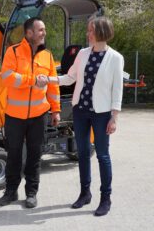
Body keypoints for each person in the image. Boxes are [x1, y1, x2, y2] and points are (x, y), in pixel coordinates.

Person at [37, 15, 124, 216]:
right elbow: (70, 77)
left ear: (101, 32)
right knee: (83, 154)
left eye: (91, 30)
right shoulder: (83, 54)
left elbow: (117, 90)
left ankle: (105, 198)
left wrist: (114, 117)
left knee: (102, 155)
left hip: (102, 114)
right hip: (80, 111)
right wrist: (48, 79)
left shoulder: (116, 58)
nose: (87, 34)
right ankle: (85, 194)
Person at [0, 17, 61, 208]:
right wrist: (32, 80)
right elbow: (7, 77)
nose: (44, 33)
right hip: (14, 116)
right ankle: (10, 192)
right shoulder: (13, 52)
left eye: (44, 29)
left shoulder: (47, 56)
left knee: (35, 155)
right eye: (40, 30)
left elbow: (52, 86)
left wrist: (56, 110)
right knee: (14, 155)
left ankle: (31, 194)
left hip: (39, 116)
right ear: (29, 33)